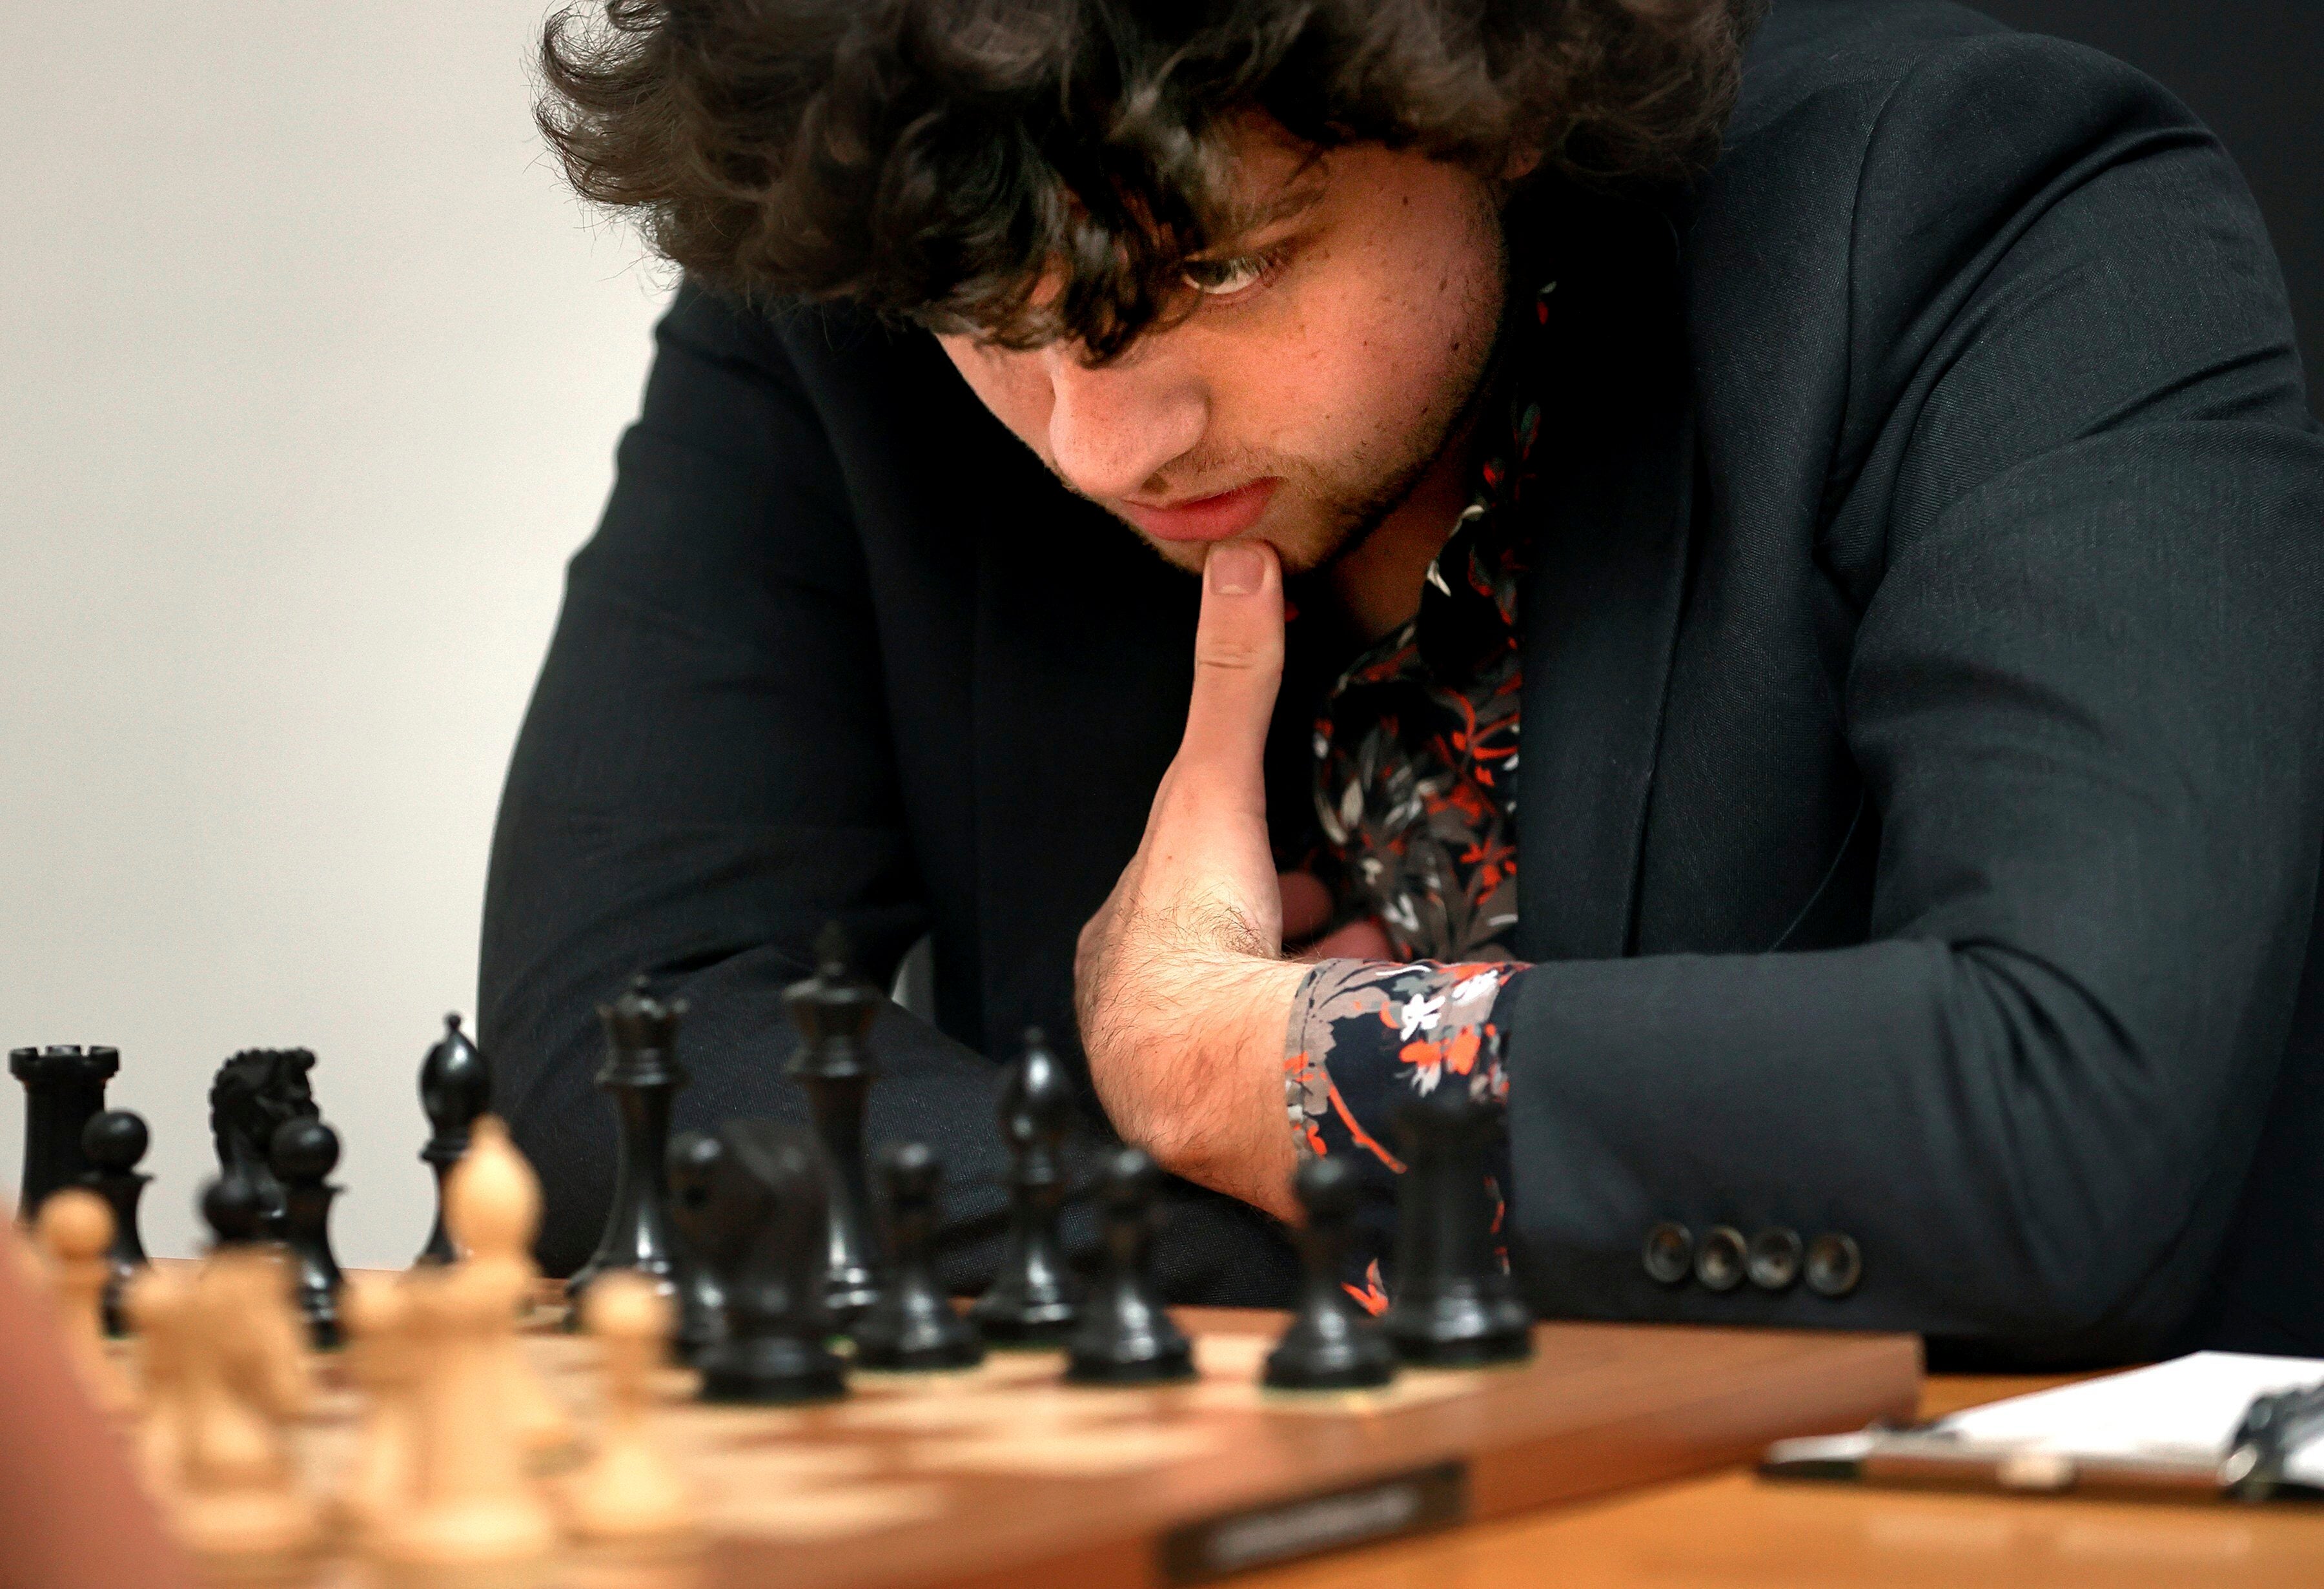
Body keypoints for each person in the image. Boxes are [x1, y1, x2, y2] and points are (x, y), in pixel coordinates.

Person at [484, 0, 2324, 1366]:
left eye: (1218, 267)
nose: (1101, 436)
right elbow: (617, 1063)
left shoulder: (1993, 220)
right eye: (999, 331)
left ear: (1499, 104)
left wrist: (1234, 1067)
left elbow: (2066, 1127)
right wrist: (1386, 1253)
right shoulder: (885, 253)